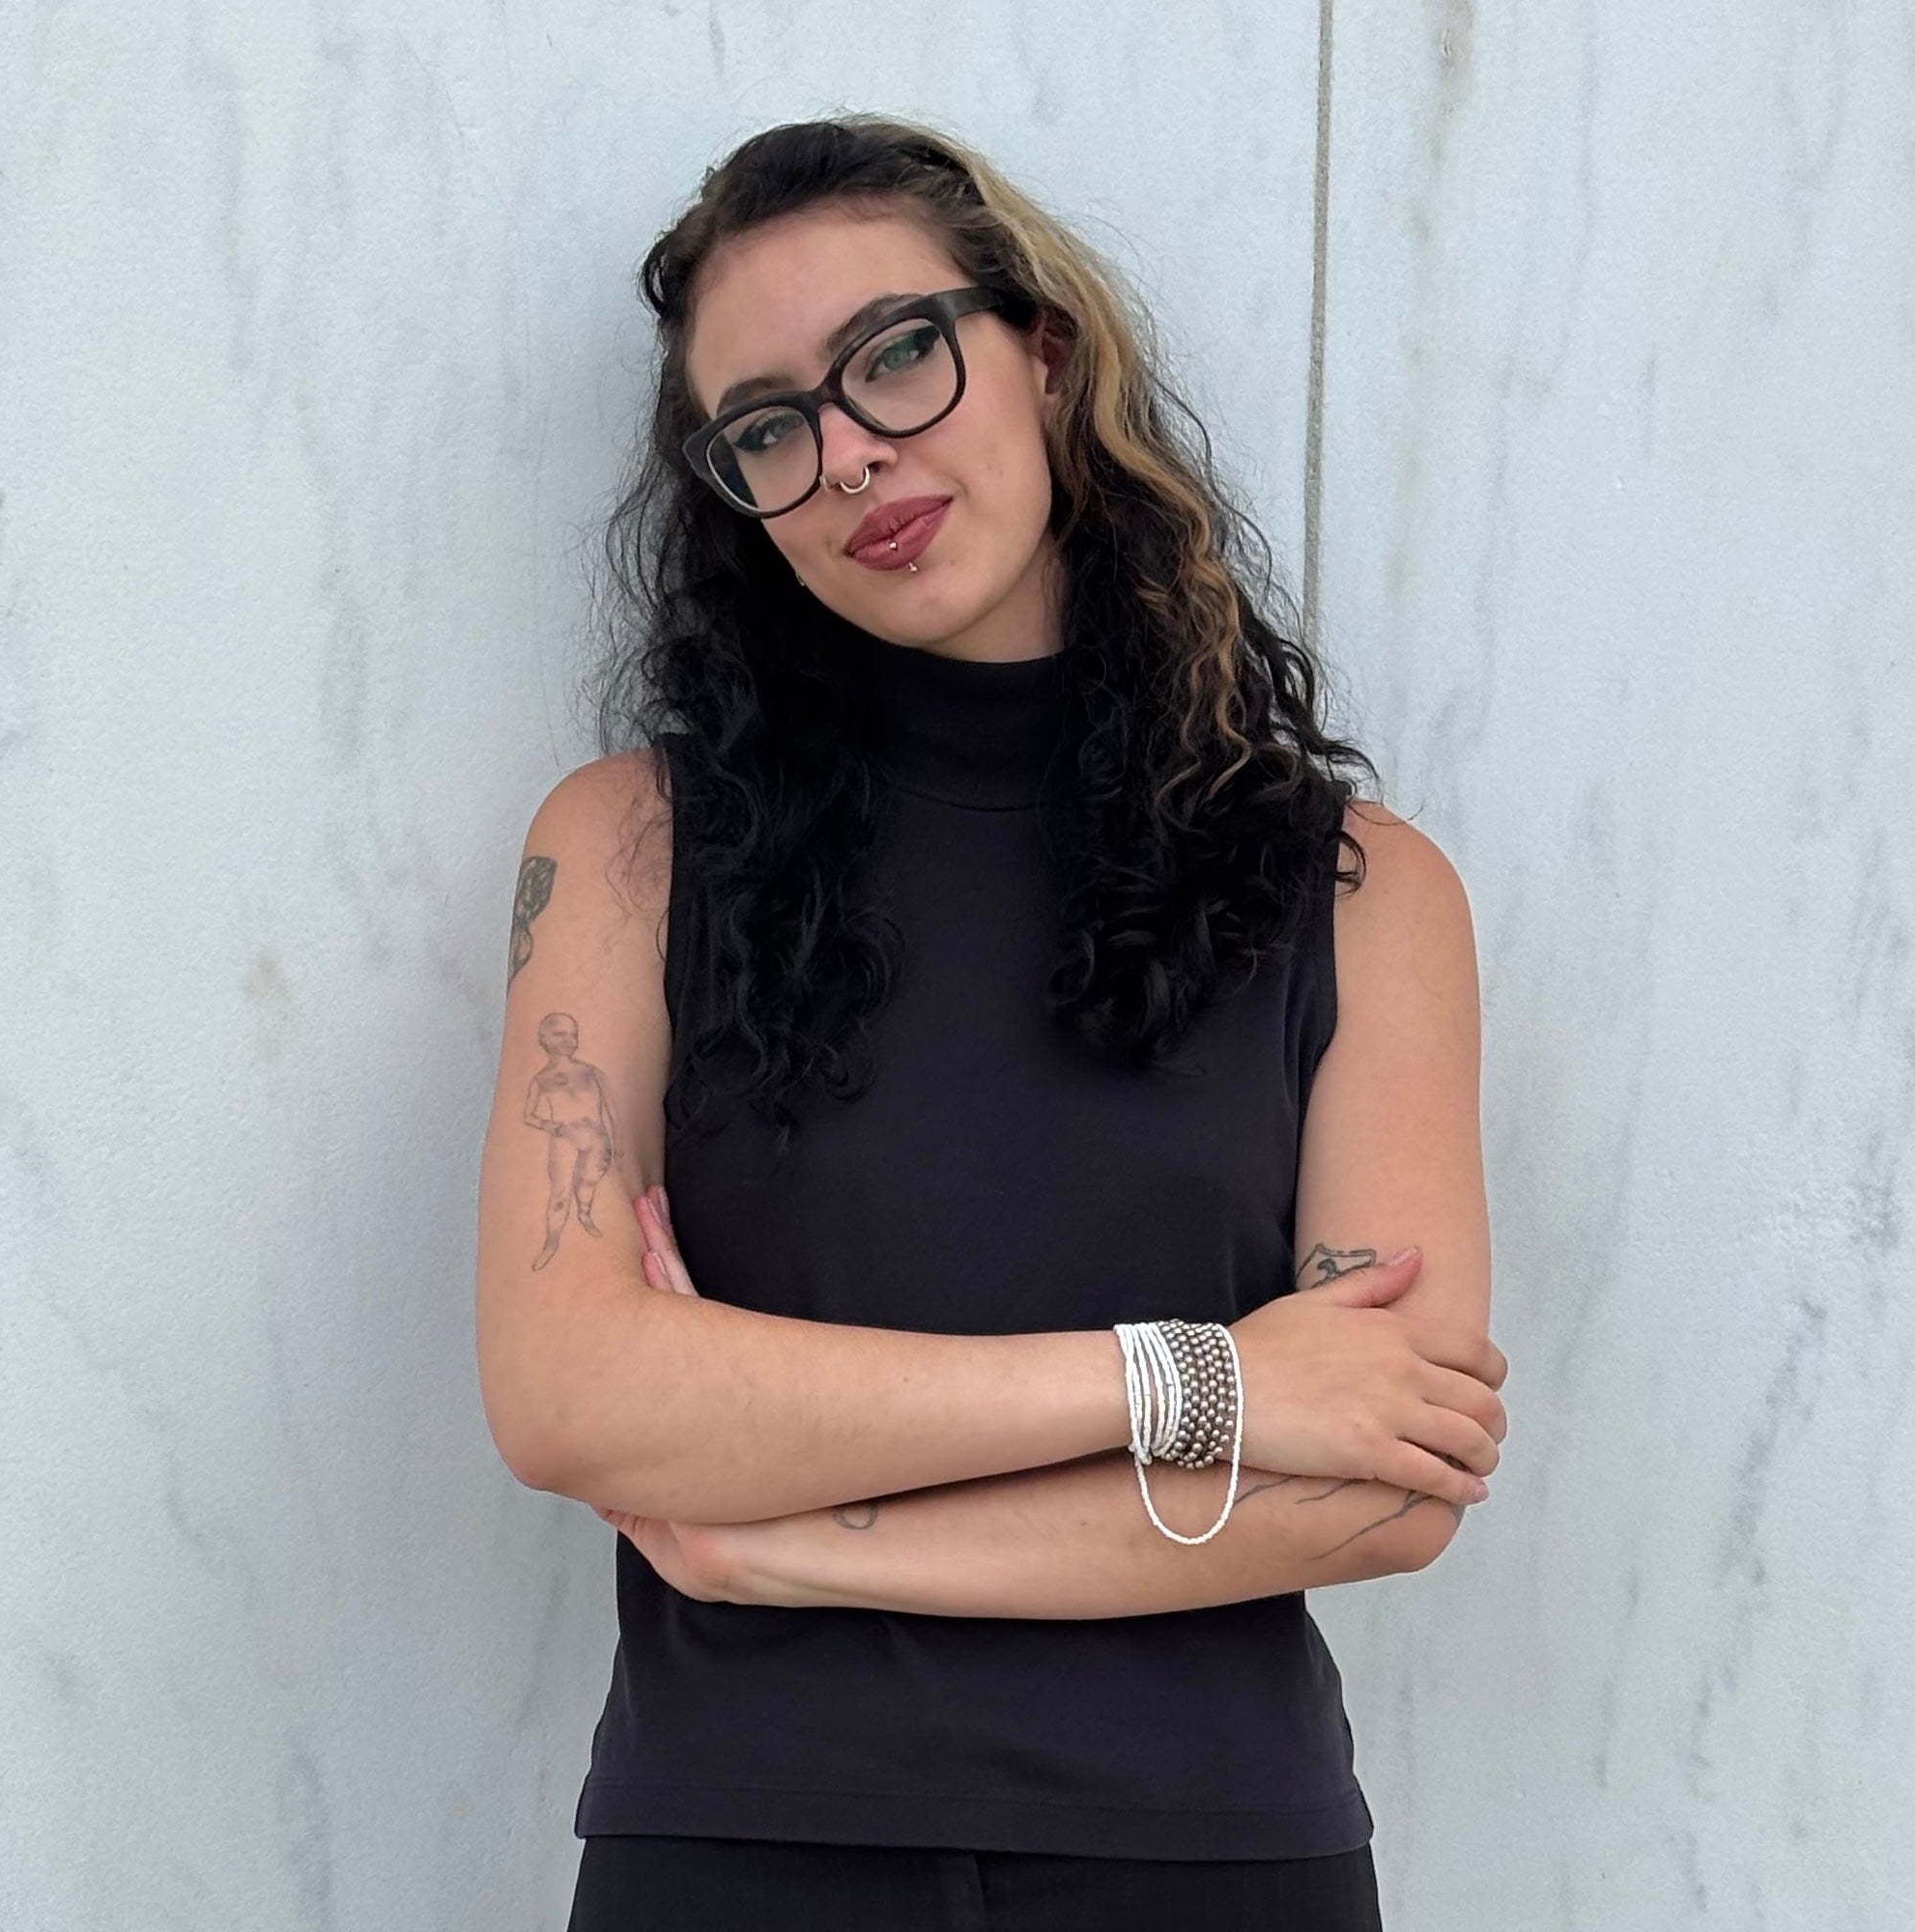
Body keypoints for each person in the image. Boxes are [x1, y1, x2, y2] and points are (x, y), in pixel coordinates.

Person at [473, 114, 1508, 1932]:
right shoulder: (630, 851)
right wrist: (1205, 1383)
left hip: (1215, 1859)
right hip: (740, 1850)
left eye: (895, 353)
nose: (851, 452)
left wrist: (781, 1538)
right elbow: (570, 1396)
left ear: (1042, 348)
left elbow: (1383, 1487)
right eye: (768, 429)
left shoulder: (1360, 893)